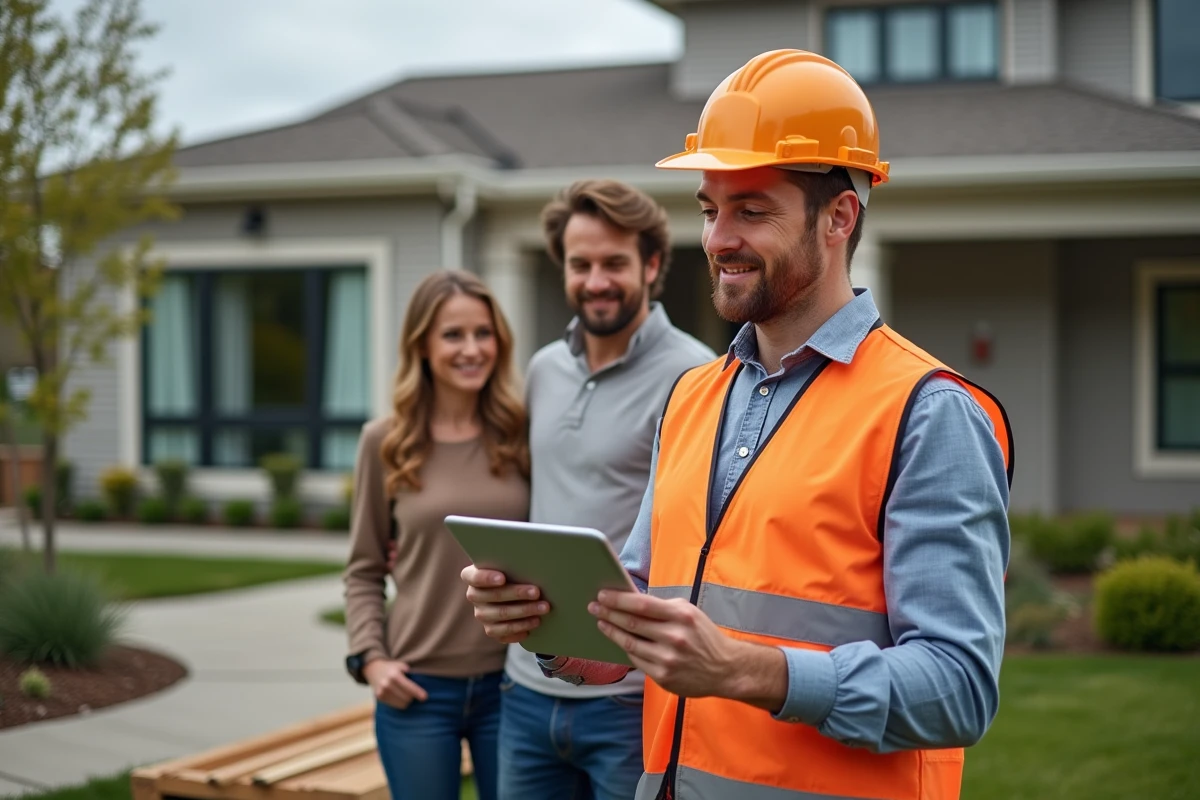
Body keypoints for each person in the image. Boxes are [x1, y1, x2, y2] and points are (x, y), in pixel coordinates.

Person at [463, 50, 1014, 800]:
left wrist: (747, 670)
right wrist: (552, 627)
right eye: (708, 210)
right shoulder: (692, 397)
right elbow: (637, 617)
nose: (718, 239)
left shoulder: (928, 411)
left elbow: (959, 688)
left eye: (752, 211)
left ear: (839, 218)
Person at [491, 180, 715, 800]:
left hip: (629, 696)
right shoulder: (543, 369)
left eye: (614, 263)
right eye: (580, 264)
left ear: (651, 265)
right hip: (526, 686)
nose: (595, 281)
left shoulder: (696, 376)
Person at [342, 270, 530, 800]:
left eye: (483, 333)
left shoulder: (520, 434)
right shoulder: (384, 442)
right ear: (422, 345)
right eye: (453, 335)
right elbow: (363, 569)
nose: (472, 349)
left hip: (511, 684)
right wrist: (370, 659)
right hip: (417, 688)